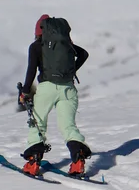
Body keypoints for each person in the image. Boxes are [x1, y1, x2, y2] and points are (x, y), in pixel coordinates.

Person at [18, 15, 91, 176]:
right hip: (68, 88)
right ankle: (78, 161)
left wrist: (24, 92)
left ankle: (33, 161)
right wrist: (72, 70)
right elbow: (84, 54)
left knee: (38, 123)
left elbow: (31, 70)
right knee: (68, 126)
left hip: (47, 88)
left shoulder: (36, 46)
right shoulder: (66, 45)